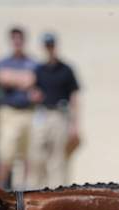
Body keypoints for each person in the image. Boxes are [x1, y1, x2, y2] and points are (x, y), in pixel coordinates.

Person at [28, 32, 80, 188]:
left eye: (51, 45)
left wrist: (74, 124)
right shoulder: (39, 69)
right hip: (42, 114)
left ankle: (59, 190)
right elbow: (32, 90)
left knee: (58, 157)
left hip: (60, 115)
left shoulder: (66, 70)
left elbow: (74, 97)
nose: (49, 48)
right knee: (37, 154)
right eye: (47, 45)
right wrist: (33, 94)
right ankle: (37, 190)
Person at [0, 27, 37, 188]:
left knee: (28, 153)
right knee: (5, 152)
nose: (17, 42)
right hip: (9, 112)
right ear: (11, 41)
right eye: (14, 39)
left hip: (28, 112)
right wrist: (23, 80)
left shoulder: (33, 62)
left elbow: (32, 80)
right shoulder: (4, 61)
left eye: (20, 39)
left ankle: (25, 187)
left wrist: (13, 78)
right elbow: (2, 77)